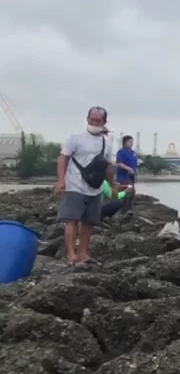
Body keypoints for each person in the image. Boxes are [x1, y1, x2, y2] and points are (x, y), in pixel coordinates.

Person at [54, 106, 118, 266]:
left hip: (95, 188)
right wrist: (61, 181)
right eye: (92, 119)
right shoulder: (75, 138)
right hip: (74, 185)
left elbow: (109, 165)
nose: (94, 122)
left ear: (104, 122)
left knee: (89, 222)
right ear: (87, 118)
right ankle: (71, 255)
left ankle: (83, 253)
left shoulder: (107, 142)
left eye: (98, 120)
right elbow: (63, 159)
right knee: (72, 220)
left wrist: (112, 185)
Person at [115, 135, 138, 214]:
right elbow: (119, 163)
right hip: (123, 177)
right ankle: (124, 210)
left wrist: (136, 175)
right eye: (130, 142)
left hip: (131, 177)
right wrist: (128, 169)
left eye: (132, 142)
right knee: (128, 191)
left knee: (131, 193)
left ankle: (129, 209)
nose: (132, 143)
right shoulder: (121, 152)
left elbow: (135, 165)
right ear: (125, 143)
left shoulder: (133, 153)